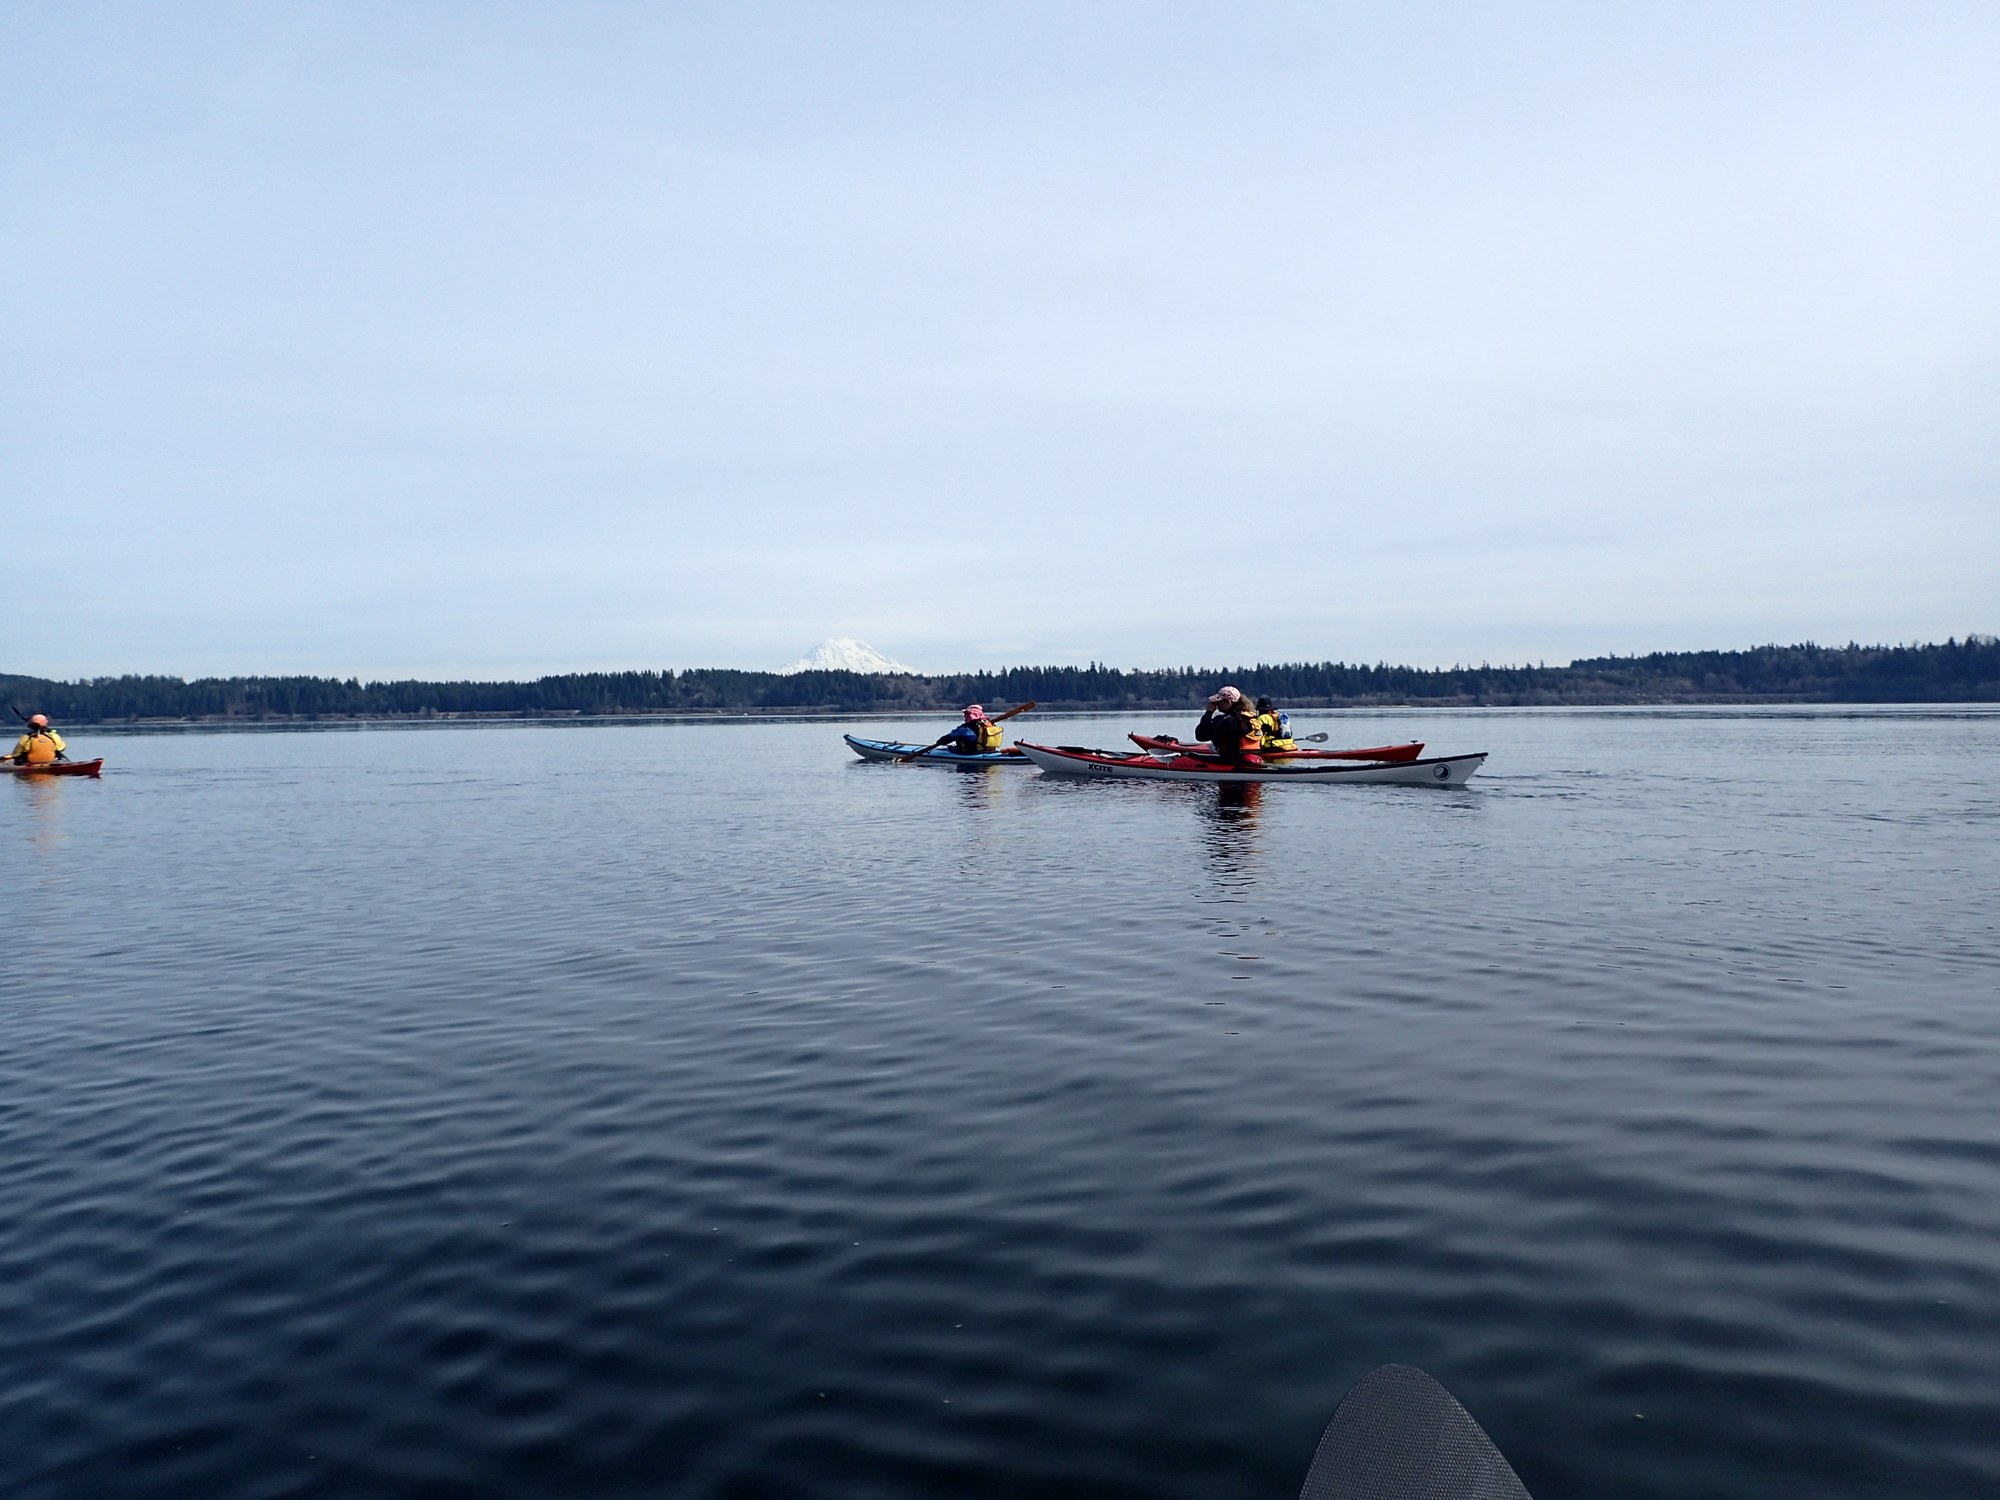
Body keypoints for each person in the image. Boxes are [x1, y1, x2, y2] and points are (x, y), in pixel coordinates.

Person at [1194, 687, 1263, 766]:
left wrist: (1208, 713)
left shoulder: (1225, 720)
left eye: (1219, 702)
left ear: (1228, 702)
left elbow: (1201, 736)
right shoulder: (1252, 717)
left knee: (1189, 756)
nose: (1217, 705)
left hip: (1231, 761)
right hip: (1254, 758)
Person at [930, 704, 1006, 756]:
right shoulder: (988, 725)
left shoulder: (965, 728)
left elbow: (949, 737)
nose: (964, 717)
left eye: (966, 714)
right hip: (988, 752)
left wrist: (940, 742)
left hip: (969, 754)